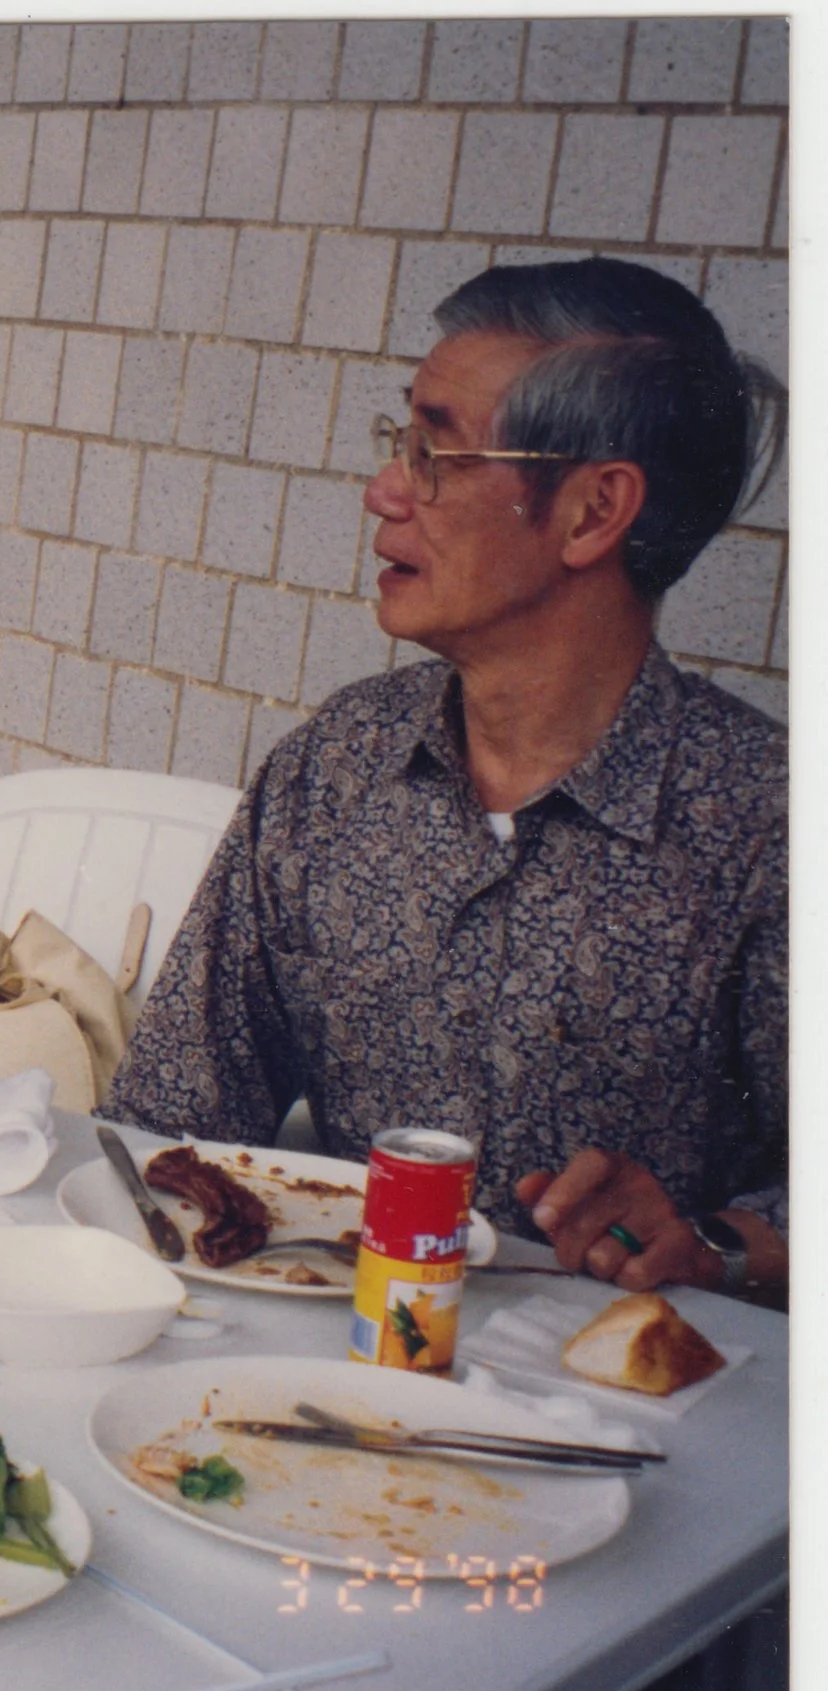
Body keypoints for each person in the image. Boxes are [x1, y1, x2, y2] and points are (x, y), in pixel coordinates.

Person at [109, 256, 786, 1298]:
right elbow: (171, 1117)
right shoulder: (337, 767)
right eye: (399, 444)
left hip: (633, 1414)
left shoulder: (762, 824)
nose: (385, 490)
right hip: (321, 1368)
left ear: (591, 512)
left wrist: (720, 1244)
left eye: (435, 451)